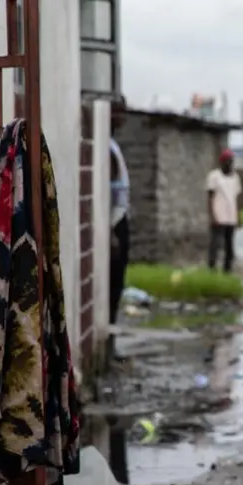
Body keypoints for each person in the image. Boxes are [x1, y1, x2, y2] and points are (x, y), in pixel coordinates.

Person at [108, 96, 130, 332]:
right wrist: (111, 230)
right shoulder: (107, 148)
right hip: (115, 223)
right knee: (114, 283)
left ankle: (112, 330)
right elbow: (108, 194)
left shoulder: (112, 144)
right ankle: (110, 331)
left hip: (120, 218)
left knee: (117, 283)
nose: (122, 117)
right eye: (117, 112)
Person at [206, 149, 242, 272]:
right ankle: (211, 268)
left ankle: (227, 269)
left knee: (229, 245)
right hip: (219, 215)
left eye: (231, 161)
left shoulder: (235, 177)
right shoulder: (214, 176)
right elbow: (210, 197)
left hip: (231, 216)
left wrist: (238, 216)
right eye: (228, 161)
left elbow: (236, 198)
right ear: (222, 162)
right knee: (215, 244)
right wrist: (212, 216)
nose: (230, 164)